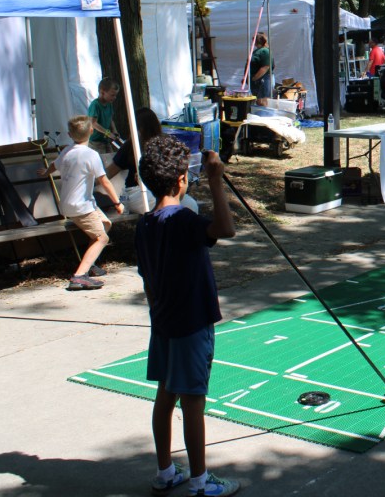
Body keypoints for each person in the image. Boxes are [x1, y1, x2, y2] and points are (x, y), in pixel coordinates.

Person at [136, 136, 239, 497]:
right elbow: (225, 229)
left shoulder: (145, 223)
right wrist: (215, 178)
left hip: (163, 322)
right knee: (194, 400)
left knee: (166, 396)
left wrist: (158, 314)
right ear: (182, 179)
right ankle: (200, 482)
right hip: (191, 323)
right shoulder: (182, 219)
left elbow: (147, 279)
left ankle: (166, 471)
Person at [37, 115, 125, 290]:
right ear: (91, 131)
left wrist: (46, 172)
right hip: (81, 206)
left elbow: (55, 164)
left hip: (74, 204)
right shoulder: (91, 155)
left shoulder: (67, 151)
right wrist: (117, 203)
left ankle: (89, 263)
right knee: (102, 238)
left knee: (105, 224)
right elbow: (105, 181)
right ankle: (79, 276)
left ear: (70, 134)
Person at [106, 108, 199, 214]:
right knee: (164, 205)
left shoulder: (164, 143)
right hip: (137, 190)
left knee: (190, 205)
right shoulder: (131, 146)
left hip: (164, 187)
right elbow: (110, 171)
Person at [88, 77, 121, 153]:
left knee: (111, 159)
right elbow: (93, 123)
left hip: (105, 140)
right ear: (102, 92)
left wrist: (114, 131)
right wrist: (108, 133)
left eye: (115, 95)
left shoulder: (109, 104)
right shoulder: (95, 105)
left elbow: (110, 119)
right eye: (112, 95)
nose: (115, 97)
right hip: (95, 142)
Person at [249, 32, 274, 107]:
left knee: (262, 101)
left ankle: (264, 116)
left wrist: (254, 78)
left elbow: (265, 67)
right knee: (258, 101)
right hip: (257, 81)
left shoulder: (265, 51)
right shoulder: (257, 51)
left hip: (263, 80)